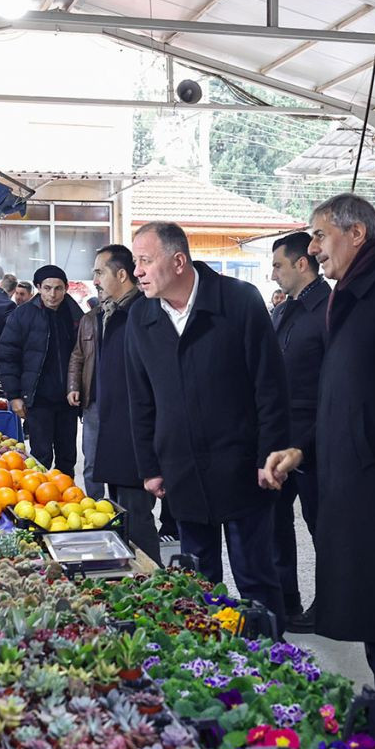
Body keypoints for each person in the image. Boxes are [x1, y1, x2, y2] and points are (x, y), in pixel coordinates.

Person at [262, 194, 375, 749]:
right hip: (353, 485)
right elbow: (343, 395)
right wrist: (302, 448)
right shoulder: (348, 295)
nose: (313, 249)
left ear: (357, 234)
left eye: (320, 236)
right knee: (374, 625)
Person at [126, 222, 289, 631]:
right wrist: (150, 466)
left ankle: (272, 661)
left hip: (242, 466)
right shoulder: (141, 317)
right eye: (135, 263)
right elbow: (140, 399)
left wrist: (268, 456)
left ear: (178, 261)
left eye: (146, 261)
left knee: (256, 576)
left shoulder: (238, 301)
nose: (138, 272)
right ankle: (212, 664)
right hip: (181, 468)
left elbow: (269, 386)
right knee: (197, 579)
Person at [267, 231, 329, 631]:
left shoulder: (330, 310)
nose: (274, 275)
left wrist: (310, 442)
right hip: (278, 433)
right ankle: (285, 602)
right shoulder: (283, 311)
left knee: (322, 526)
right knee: (274, 522)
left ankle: (330, 606)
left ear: (301, 263)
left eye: (278, 265)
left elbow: (337, 384)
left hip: (317, 437)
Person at [83, 245, 161, 562]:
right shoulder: (110, 313)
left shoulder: (142, 313)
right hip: (114, 430)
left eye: (99, 272)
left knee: (138, 518)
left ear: (121, 274)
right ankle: (130, 580)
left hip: (135, 436)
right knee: (121, 515)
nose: (95, 280)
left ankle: (156, 589)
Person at [0, 266, 84, 474]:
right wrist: (14, 395)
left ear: (66, 289)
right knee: (40, 456)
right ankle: (42, 501)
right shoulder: (22, 316)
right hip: (37, 398)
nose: (52, 294)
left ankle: (68, 499)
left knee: (67, 457)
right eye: (47, 288)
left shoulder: (76, 316)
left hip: (68, 400)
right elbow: (7, 357)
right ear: (38, 288)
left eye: (58, 288)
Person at [67, 280, 106, 500]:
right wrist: (74, 386)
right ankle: (96, 504)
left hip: (123, 402)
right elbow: (77, 355)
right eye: (99, 290)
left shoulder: (131, 314)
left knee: (126, 461)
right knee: (91, 459)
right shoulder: (89, 319)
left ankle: (128, 513)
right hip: (94, 400)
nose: (103, 293)